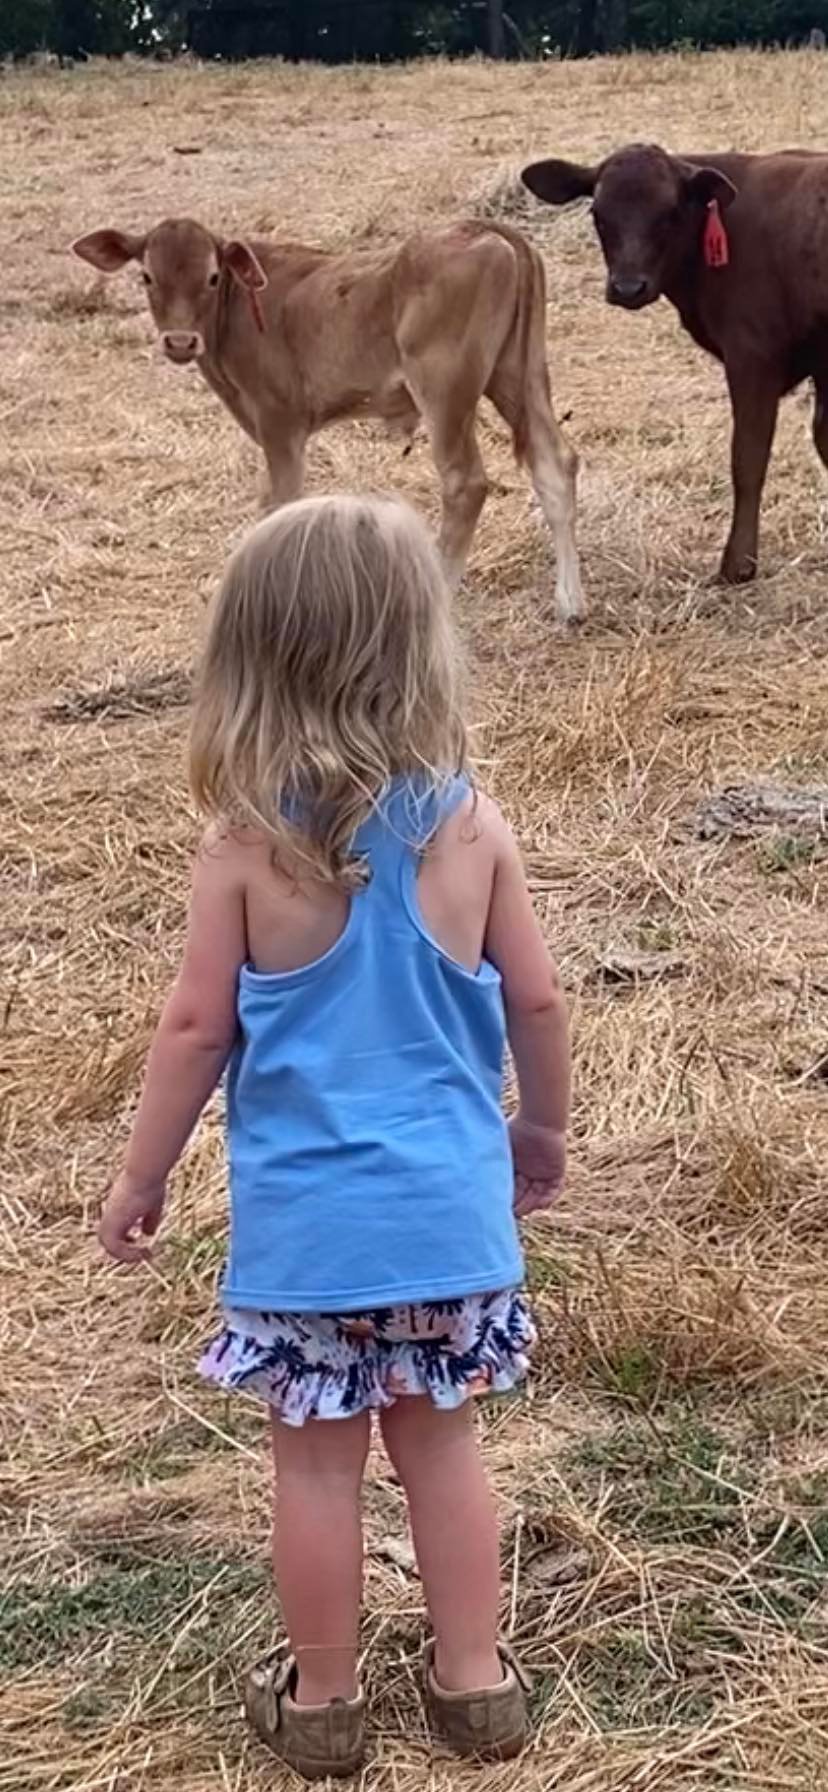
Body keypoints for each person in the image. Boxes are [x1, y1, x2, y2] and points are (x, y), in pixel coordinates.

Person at [99, 493, 570, 1780]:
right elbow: (535, 998)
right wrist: (541, 1129)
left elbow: (195, 1029)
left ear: (250, 661)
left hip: (309, 1241)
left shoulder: (245, 850)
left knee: (315, 1466)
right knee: (443, 1441)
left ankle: (322, 1705)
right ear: (420, 648)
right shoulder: (468, 828)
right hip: (447, 1222)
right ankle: (476, 1686)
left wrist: (142, 1176)